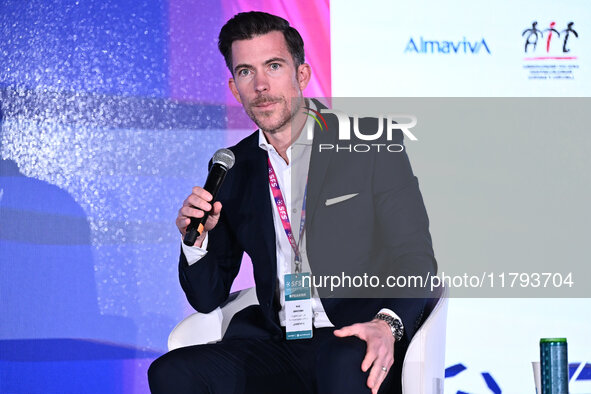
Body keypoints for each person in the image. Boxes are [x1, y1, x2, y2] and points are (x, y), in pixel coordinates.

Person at [149, 11, 436, 394]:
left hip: (355, 332)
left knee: (342, 362)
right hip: (275, 341)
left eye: (274, 65)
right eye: (247, 72)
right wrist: (195, 242)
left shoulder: (370, 146)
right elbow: (207, 298)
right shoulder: (234, 167)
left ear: (301, 75)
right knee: (172, 372)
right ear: (235, 88)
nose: (261, 85)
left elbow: (415, 258)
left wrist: (387, 324)